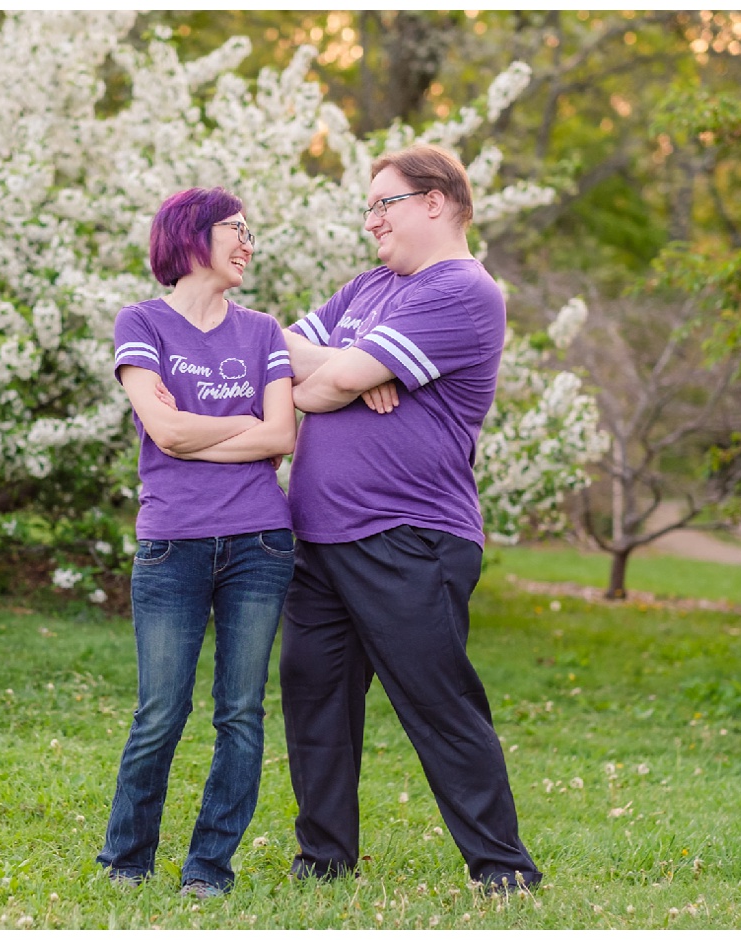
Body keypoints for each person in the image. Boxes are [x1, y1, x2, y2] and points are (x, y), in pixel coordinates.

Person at [279, 143, 542, 893]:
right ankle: (323, 861)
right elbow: (273, 352)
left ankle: (502, 869)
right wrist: (351, 371)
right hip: (321, 535)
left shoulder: (463, 289)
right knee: (314, 696)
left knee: (437, 702)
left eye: (381, 204)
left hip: (409, 536)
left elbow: (327, 379)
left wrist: (343, 374)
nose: (370, 222)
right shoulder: (367, 289)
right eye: (367, 208)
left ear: (436, 201)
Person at [97, 187, 297, 899]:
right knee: (161, 710)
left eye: (250, 233)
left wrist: (193, 430)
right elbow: (166, 432)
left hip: (260, 545)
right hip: (172, 545)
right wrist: (238, 427)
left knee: (240, 712)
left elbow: (283, 435)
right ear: (192, 237)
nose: (248, 244)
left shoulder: (265, 331)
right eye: (236, 231)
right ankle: (127, 859)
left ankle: (209, 869)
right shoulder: (141, 322)